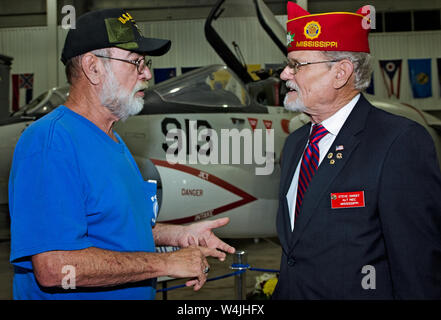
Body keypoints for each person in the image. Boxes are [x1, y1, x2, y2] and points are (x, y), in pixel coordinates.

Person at [8, 8, 235, 300]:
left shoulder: (113, 140)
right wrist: (165, 263)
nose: (148, 74)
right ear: (93, 67)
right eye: (135, 62)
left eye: (145, 62)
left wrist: (176, 236)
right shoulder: (51, 143)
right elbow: (55, 267)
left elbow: (113, 229)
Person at [273, 2, 441, 299]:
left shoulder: (399, 142)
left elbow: (417, 265)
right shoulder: (296, 143)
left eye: (297, 65)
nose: (285, 74)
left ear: (341, 73)